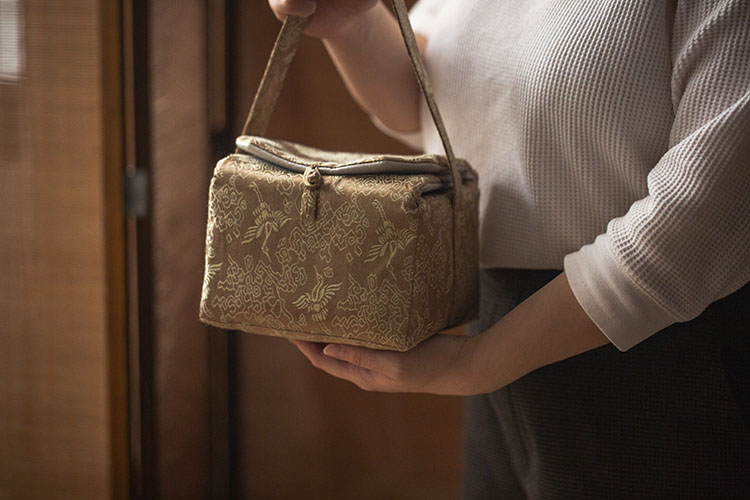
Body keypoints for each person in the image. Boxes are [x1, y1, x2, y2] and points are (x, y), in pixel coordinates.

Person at [268, 0, 750, 497]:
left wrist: (475, 363)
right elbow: (426, 97)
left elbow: (698, 224)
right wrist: (351, 24)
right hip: (497, 337)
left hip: (656, 359)